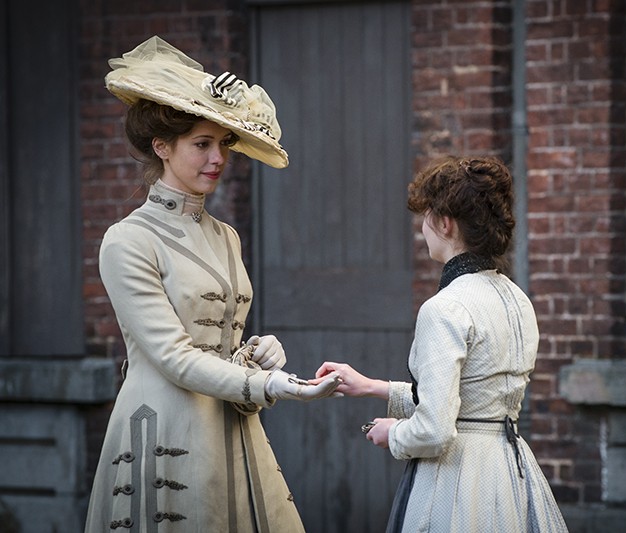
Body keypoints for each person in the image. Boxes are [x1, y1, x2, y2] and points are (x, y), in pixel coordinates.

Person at [85, 36, 340, 532]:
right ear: (162, 146)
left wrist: (257, 351)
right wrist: (270, 384)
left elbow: (221, 338)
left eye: (223, 144)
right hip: (166, 427)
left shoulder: (226, 236)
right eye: (201, 144)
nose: (217, 157)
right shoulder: (127, 240)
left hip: (233, 422)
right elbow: (175, 356)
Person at [315, 156, 569, 532]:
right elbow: (470, 398)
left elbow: (435, 430)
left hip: (458, 481)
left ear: (445, 223)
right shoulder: (517, 299)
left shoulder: (445, 307)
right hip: (510, 472)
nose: (423, 228)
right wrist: (371, 386)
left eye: (427, 216)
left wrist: (393, 433)